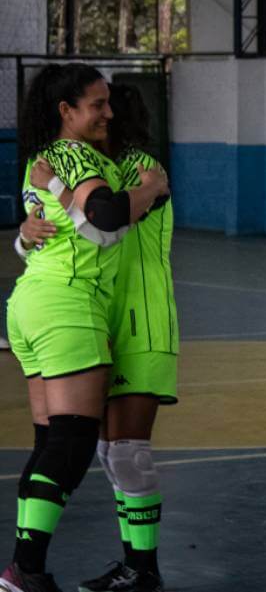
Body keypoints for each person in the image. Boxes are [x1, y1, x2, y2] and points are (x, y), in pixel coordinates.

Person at [4, 64, 169, 592]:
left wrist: (32, 223)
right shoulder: (79, 161)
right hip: (76, 309)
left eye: (112, 108)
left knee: (115, 449)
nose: (109, 116)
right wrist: (28, 232)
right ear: (67, 112)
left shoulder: (133, 166)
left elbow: (98, 222)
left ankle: (137, 568)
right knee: (76, 443)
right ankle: (25, 568)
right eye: (99, 106)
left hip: (130, 319)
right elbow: (103, 222)